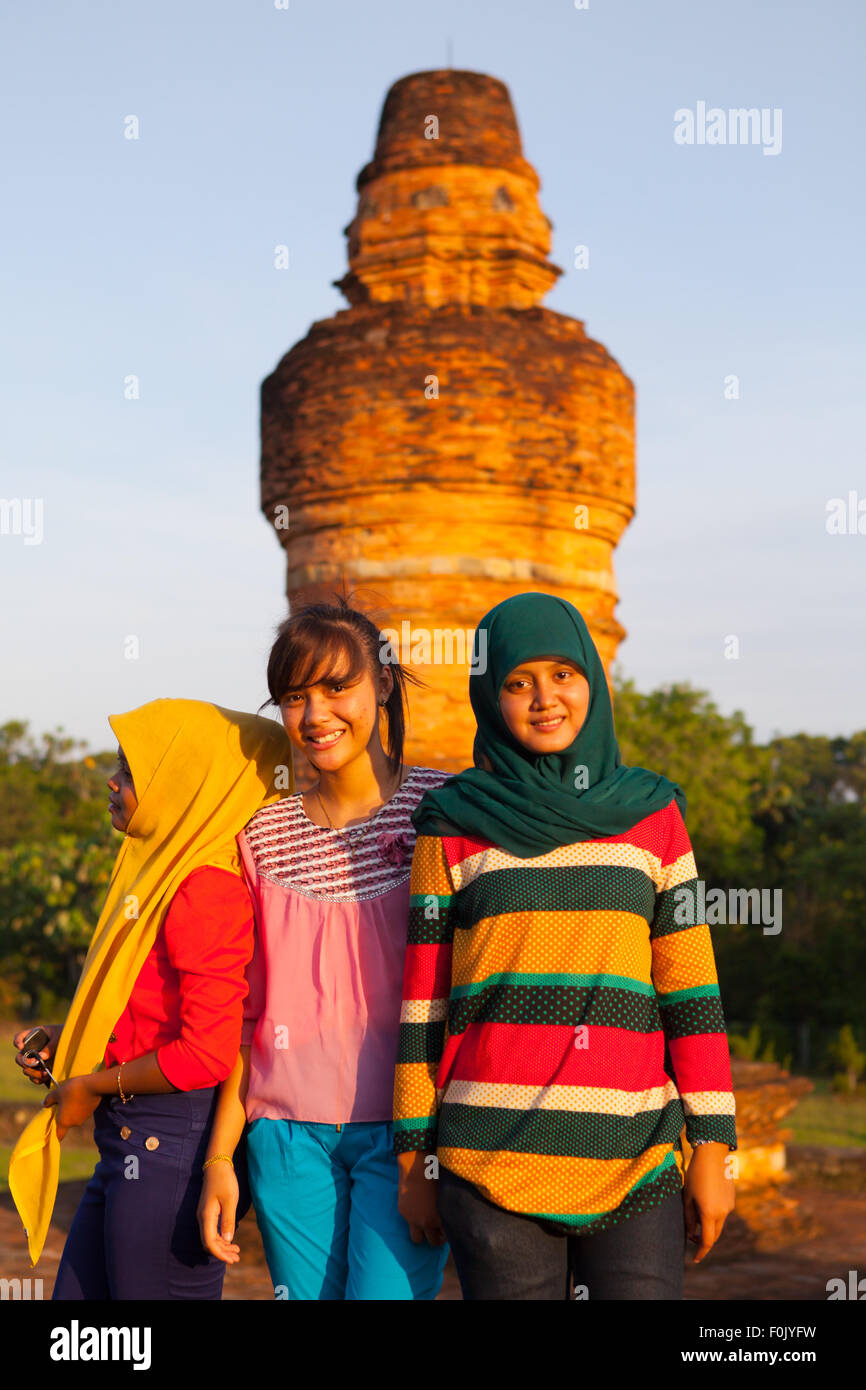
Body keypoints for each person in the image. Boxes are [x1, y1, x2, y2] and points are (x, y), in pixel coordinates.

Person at [393, 591, 738, 1301]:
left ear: (591, 680)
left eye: (562, 674)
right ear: (491, 697)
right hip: (487, 1166)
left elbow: (693, 994)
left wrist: (713, 1147)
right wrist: (412, 1164)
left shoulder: (653, 817)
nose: (544, 698)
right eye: (518, 682)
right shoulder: (453, 823)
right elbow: (423, 1006)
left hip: (635, 1164)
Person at [197, 598, 451, 1300]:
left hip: (408, 1135)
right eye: (294, 696)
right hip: (283, 1138)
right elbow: (243, 1015)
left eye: (337, 687)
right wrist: (221, 1157)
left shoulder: (446, 810)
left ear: (385, 685)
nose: (315, 714)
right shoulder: (258, 835)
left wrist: (427, 1155)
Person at [9, 699, 292, 1298]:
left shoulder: (204, 889)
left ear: (185, 787)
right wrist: (69, 1049)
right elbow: (144, 1014)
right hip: (134, 1140)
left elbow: (207, 1054)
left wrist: (89, 1087)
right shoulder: (157, 875)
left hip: (170, 1147)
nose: (112, 782)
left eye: (133, 771)